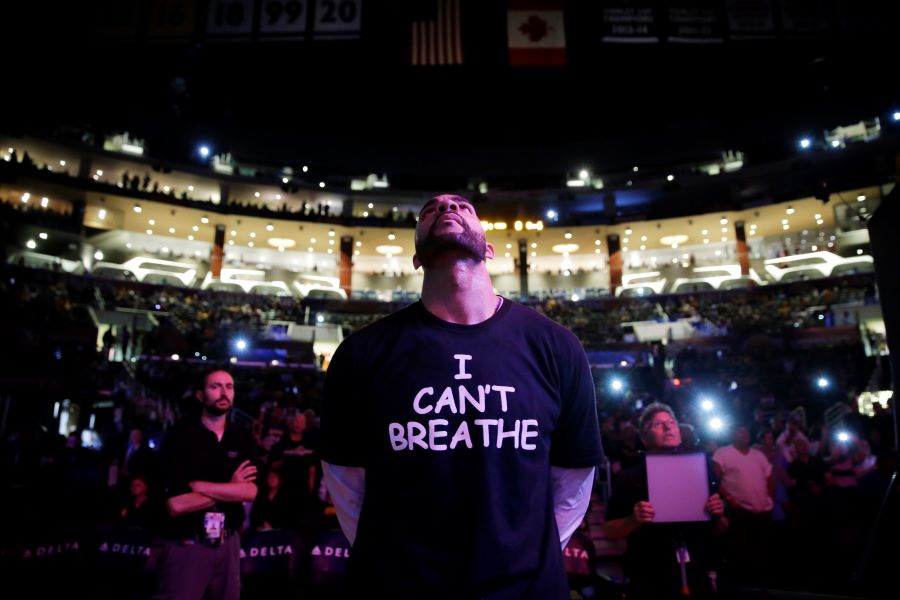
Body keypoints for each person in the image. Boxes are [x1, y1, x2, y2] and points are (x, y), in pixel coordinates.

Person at [321, 194, 604, 599]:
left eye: (462, 207)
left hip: (526, 588)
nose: (446, 209)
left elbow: (574, 477)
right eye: (430, 210)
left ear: (488, 249)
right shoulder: (362, 353)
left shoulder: (556, 345)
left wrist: (526, 556)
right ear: (416, 257)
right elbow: (346, 481)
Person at [604, 403, 727, 599]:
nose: (668, 427)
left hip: (696, 570)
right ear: (644, 438)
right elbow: (610, 530)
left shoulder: (701, 470)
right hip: (650, 574)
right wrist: (634, 519)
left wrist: (718, 514)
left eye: (671, 423)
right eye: (658, 424)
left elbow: (721, 527)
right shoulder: (630, 477)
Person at [155, 368, 259, 600]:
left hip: (229, 542)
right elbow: (177, 505)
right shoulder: (179, 437)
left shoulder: (242, 437)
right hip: (188, 543)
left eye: (229, 387)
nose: (224, 393)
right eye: (215, 387)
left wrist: (201, 486)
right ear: (200, 395)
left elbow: (250, 491)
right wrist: (230, 488)